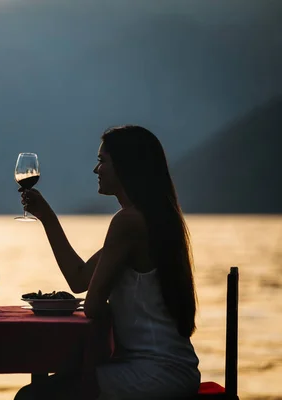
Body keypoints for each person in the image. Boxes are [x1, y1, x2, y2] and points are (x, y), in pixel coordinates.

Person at [15, 125, 201, 400]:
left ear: (126, 166)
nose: (96, 169)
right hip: (172, 367)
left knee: (32, 397)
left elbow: (90, 304)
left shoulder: (129, 222)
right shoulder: (150, 217)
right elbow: (79, 279)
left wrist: (107, 313)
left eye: (103, 161)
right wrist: (46, 216)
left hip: (156, 372)